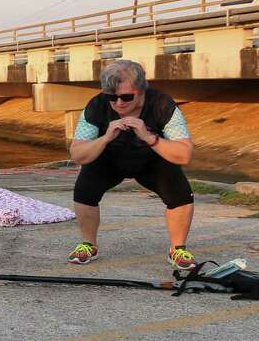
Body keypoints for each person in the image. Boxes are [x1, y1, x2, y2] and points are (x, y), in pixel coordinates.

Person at [67, 59, 196, 270]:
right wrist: (105, 138)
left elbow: (185, 154)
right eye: (112, 97)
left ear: (142, 90)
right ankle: (88, 244)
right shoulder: (96, 106)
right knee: (84, 189)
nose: (118, 103)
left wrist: (149, 137)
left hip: (152, 158)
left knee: (179, 191)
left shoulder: (162, 105)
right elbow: (78, 154)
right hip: (110, 158)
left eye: (126, 97)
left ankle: (178, 248)